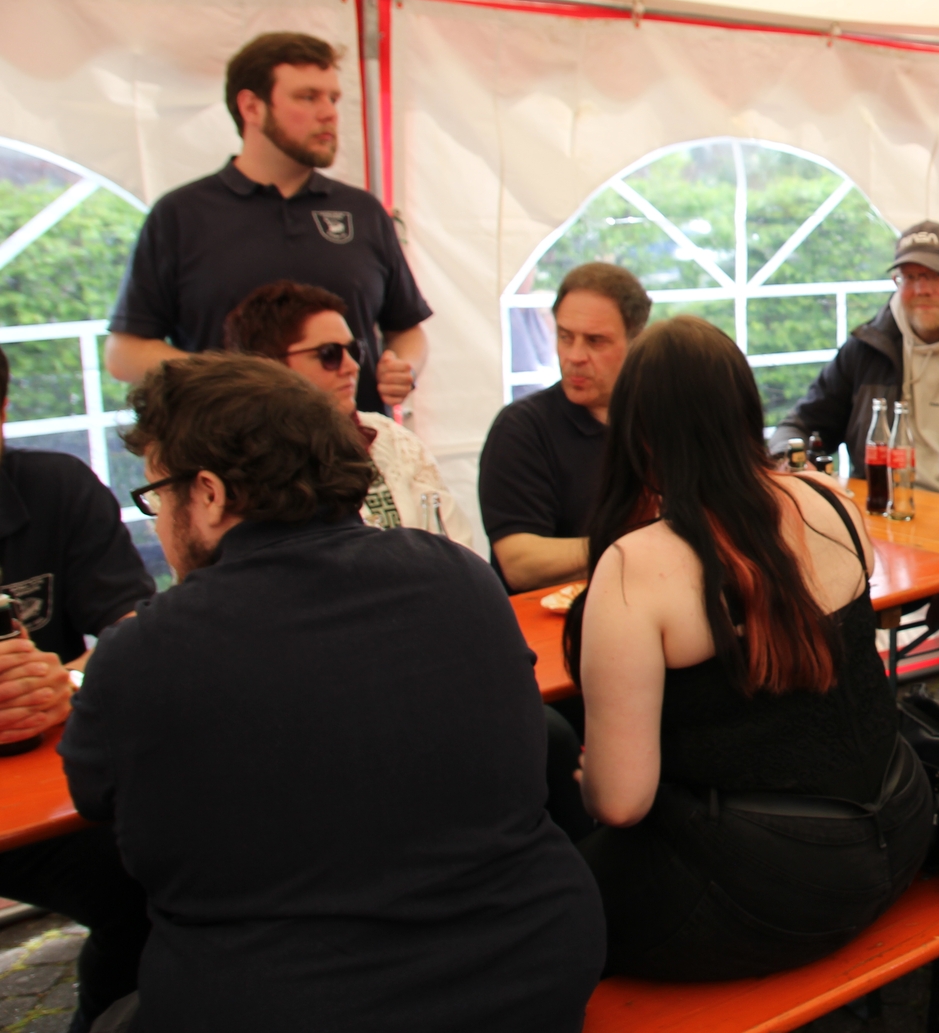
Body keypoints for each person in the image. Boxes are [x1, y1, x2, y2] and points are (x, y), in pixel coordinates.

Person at [63, 354, 604, 1031]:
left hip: (285, 1005)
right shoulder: (459, 578)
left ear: (208, 493)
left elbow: (95, 795)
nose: (159, 520)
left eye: (159, 495)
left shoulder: (146, 650)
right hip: (530, 976)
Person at [563, 317, 931, 980]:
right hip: (902, 826)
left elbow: (622, 803)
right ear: (744, 409)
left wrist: (590, 781)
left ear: (637, 431)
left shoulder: (635, 566)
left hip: (771, 882)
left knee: (540, 898)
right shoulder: (830, 500)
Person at [770, 221, 939, 705]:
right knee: (802, 580)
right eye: (909, 277)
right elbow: (803, 422)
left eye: (933, 276)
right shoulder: (869, 345)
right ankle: (846, 716)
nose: (920, 289)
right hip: (881, 530)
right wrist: (789, 464)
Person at [105, 32, 431, 415]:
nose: (328, 113)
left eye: (333, 98)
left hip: (352, 443)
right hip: (230, 443)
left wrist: (403, 367)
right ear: (252, 107)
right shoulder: (181, 214)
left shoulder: (362, 211)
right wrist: (229, 378)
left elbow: (407, 329)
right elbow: (124, 353)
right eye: (307, 97)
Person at [0, 346, 153, 1032]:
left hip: (45, 793)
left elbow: (132, 627)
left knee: (144, 878)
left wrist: (65, 682)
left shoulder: (54, 488)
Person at [224, 280, 476, 546]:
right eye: (329, 354)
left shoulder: (394, 441)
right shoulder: (242, 469)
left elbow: (456, 545)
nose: (352, 366)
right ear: (269, 366)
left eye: (354, 350)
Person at [480, 262, 648, 592]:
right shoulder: (521, 429)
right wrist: (637, 543)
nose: (574, 356)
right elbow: (519, 564)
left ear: (637, 341)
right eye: (565, 337)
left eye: (596, 341)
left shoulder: (661, 420)